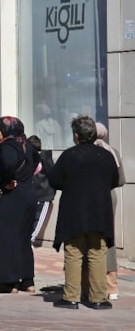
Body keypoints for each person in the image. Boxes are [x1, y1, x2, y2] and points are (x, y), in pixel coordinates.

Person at [49, 115, 119, 310]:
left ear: (76, 135)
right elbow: (114, 180)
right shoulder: (106, 156)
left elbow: (55, 180)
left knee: (73, 253)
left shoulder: (69, 155)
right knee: (97, 253)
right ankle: (98, 298)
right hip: (99, 211)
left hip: (74, 211)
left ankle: (71, 297)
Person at [0, 117, 38, 294]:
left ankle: (9, 281)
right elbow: (37, 162)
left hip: (13, 196)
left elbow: (8, 164)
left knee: (7, 238)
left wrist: (7, 180)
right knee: (23, 238)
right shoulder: (27, 145)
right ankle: (27, 280)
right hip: (28, 194)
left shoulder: (9, 146)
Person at [93, 122, 126, 301]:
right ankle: (112, 285)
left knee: (89, 236)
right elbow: (121, 180)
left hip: (91, 197)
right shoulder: (113, 151)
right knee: (108, 237)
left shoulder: (88, 152)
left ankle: (91, 284)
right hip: (109, 196)